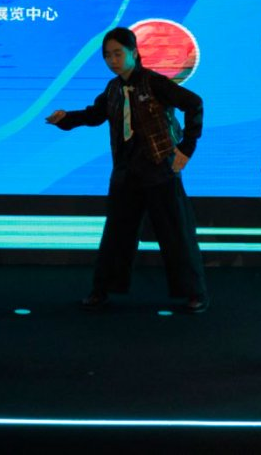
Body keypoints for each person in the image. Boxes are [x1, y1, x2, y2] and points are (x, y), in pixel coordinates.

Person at [46, 26, 209, 313]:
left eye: (118, 54)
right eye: (107, 55)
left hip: (160, 170)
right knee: (116, 235)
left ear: (134, 52)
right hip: (126, 173)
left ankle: (194, 293)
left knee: (176, 234)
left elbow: (194, 103)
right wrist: (66, 119)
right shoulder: (113, 89)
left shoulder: (154, 82)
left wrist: (187, 147)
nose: (112, 60)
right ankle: (101, 290)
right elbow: (95, 115)